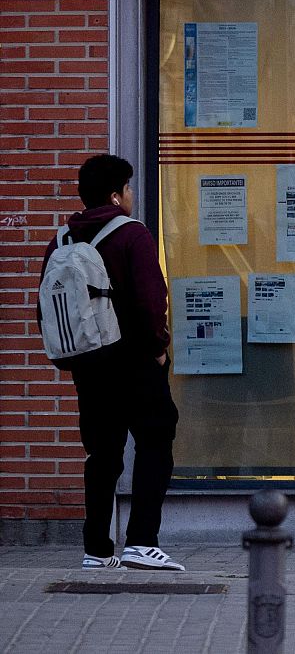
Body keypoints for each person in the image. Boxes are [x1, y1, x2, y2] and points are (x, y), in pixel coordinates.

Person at [39, 155, 184, 571]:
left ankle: (97, 551)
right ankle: (141, 540)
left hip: (89, 364)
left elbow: (45, 307)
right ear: (116, 194)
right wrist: (159, 347)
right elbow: (151, 299)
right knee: (156, 441)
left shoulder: (62, 241)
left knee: (102, 454)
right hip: (135, 360)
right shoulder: (132, 234)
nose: (133, 195)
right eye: (130, 188)